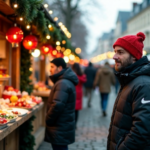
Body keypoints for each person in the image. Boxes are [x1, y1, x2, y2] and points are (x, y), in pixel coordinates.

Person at [107, 32, 150, 150]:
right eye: (115, 52)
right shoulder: (129, 79)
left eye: (120, 52)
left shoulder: (143, 85)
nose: (114, 56)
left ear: (134, 56)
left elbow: (142, 131)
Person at [45, 58, 78, 150]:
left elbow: (57, 105)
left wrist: (48, 119)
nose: (50, 69)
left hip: (60, 126)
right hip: (62, 125)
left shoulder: (62, 83)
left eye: (52, 67)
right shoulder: (63, 81)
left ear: (59, 68)